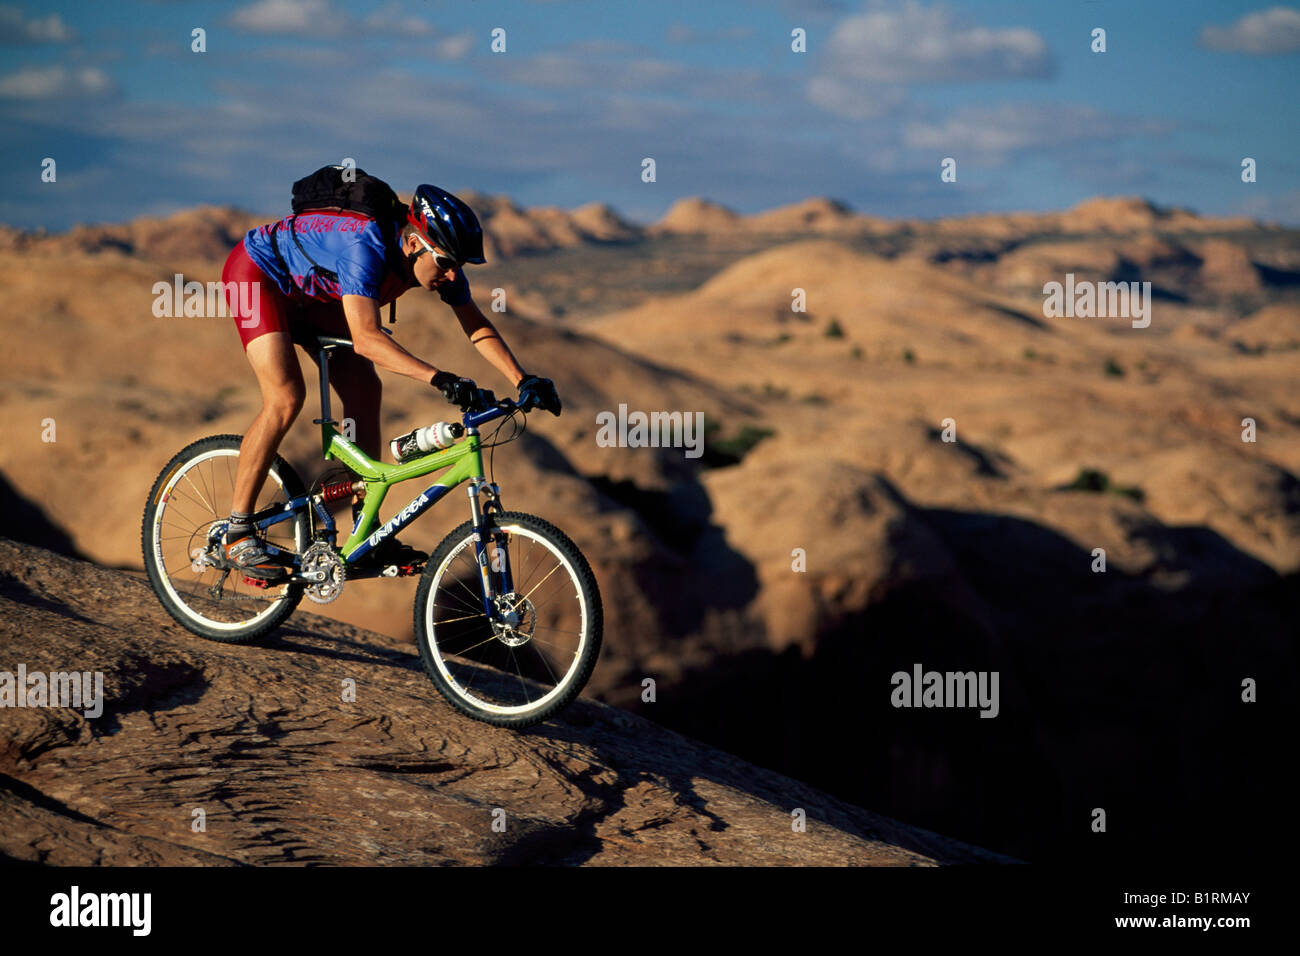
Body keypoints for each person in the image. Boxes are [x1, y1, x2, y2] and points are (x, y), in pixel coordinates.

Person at [218, 183, 561, 580]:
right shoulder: (364, 246)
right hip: (258, 276)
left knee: (366, 390)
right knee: (286, 396)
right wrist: (440, 379)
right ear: (414, 244)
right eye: (448, 262)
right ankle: (237, 532)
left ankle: (366, 532)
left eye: (459, 265)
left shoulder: (438, 263)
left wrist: (523, 379)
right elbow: (366, 339)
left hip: (311, 295)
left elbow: (477, 325)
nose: (452, 274)